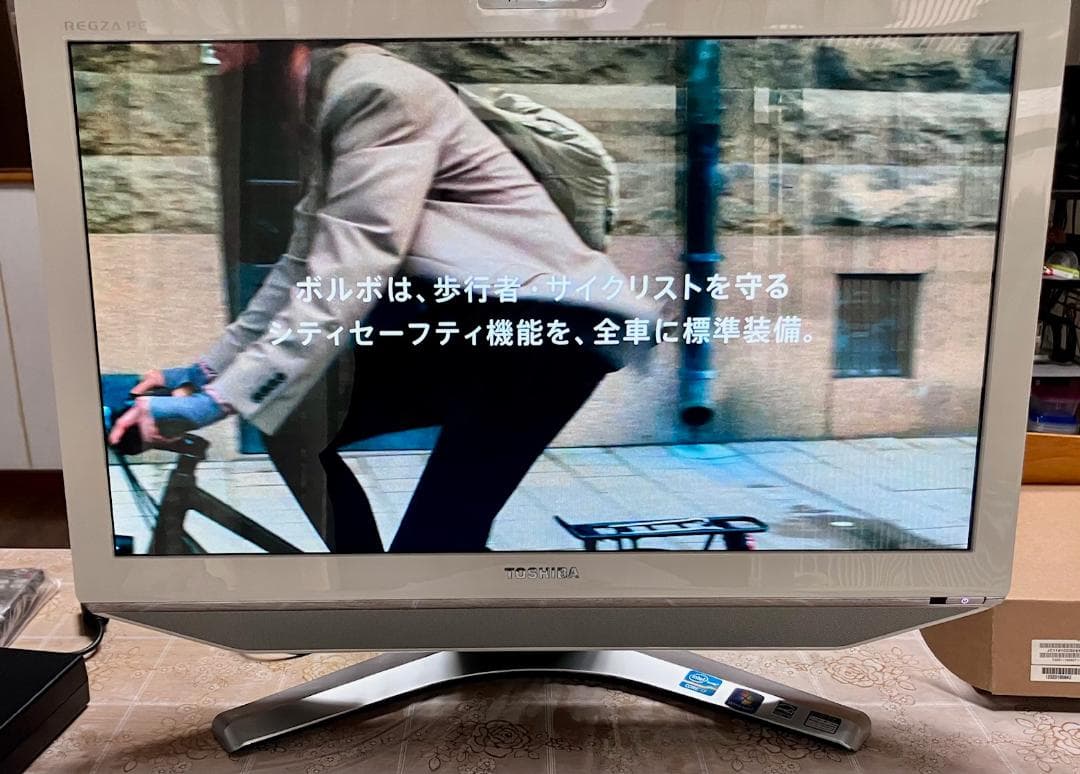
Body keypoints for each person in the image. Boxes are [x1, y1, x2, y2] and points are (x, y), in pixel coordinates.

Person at [110, 42, 653, 552]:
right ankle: (368, 581)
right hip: (475, 330)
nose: (215, 53)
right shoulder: (324, 97)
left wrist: (208, 405)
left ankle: (441, 592)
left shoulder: (375, 93)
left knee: (434, 551)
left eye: (224, 40)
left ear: (268, 41)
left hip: (547, 338)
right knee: (290, 416)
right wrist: (204, 372)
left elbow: (349, 273)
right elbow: (299, 267)